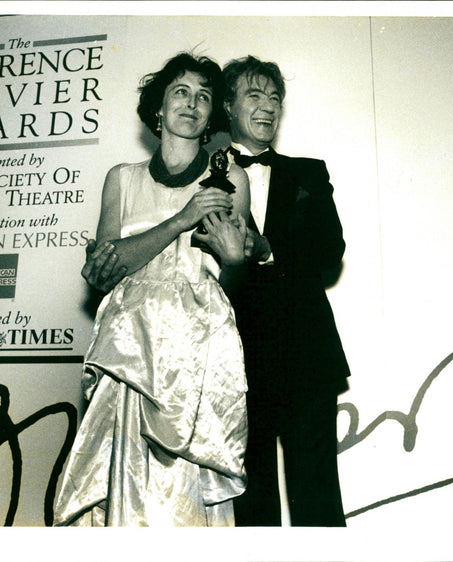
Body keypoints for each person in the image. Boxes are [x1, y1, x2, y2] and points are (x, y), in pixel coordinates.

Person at [53, 52, 251, 526]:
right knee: (121, 486)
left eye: (204, 96)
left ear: (211, 117)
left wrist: (236, 257)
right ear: (158, 109)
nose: (192, 103)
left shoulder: (232, 178)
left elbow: (237, 275)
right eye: (180, 92)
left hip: (200, 348)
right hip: (128, 351)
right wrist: (183, 219)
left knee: (185, 494)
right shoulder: (122, 179)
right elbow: (104, 271)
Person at [221, 56, 350, 526]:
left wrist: (268, 248)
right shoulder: (204, 175)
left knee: (317, 500)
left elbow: (329, 249)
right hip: (233, 360)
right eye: (254, 96)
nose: (268, 107)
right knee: (250, 506)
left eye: (275, 98)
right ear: (228, 107)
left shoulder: (309, 173)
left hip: (306, 357)